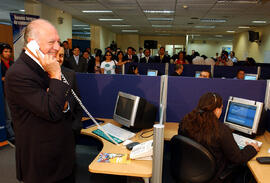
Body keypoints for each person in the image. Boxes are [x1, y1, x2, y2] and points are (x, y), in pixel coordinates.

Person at [5, 19, 76, 183]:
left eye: (58, 41)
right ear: (32, 44)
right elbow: (52, 111)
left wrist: (64, 105)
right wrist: (56, 75)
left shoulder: (45, 64)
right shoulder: (19, 74)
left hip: (62, 157)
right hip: (42, 164)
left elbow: (62, 105)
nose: (58, 47)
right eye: (51, 42)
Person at [178, 92, 259, 183]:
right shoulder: (221, 130)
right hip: (213, 177)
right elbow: (238, 158)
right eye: (221, 108)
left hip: (188, 171)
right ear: (216, 110)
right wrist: (252, 148)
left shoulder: (185, 122)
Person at [57, 44, 83, 143]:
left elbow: (77, 100)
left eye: (61, 55)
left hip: (69, 126)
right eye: (56, 55)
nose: (59, 59)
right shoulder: (39, 75)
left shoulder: (70, 74)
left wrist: (77, 123)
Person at [0, 43, 15, 146]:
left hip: (14, 93)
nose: (8, 54)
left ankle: (15, 133)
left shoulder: (12, 63)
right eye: (5, 51)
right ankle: (11, 136)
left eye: (9, 51)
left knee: (14, 114)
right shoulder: (0, 64)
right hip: (3, 93)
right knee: (8, 116)